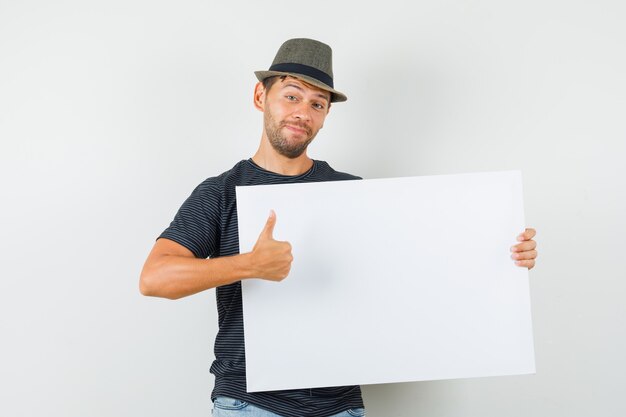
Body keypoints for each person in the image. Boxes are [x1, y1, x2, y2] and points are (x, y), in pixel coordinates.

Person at [139, 38, 538, 417]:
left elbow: (420, 272)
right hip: (248, 404)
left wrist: (502, 256)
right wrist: (249, 265)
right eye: (291, 96)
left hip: (341, 405)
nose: (302, 112)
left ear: (326, 115)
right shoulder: (221, 192)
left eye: (318, 103)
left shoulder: (353, 194)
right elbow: (155, 278)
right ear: (261, 97)